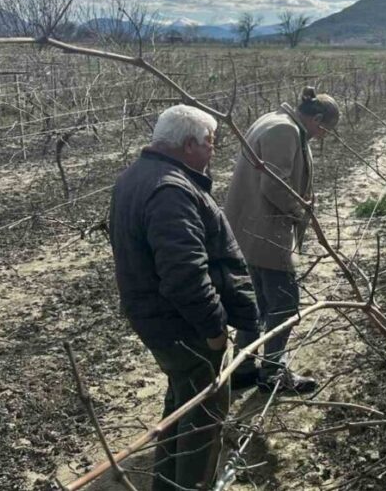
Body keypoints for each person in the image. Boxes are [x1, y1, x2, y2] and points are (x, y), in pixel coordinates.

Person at [109, 104, 259, 491]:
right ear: (189, 144)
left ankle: (166, 485)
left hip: (157, 319)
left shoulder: (137, 176)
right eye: (210, 142)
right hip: (182, 326)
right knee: (204, 419)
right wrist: (213, 330)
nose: (213, 150)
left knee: (180, 403)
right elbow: (185, 274)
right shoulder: (171, 191)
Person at [225, 86, 339, 394]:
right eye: (324, 130)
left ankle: (244, 369)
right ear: (316, 118)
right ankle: (272, 374)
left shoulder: (273, 119)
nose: (323, 136)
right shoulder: (285, 130)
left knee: (258, 305)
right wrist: (301, 208)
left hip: (248, 231)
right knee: (285, 306)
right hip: (266, 234)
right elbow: (274, 186)